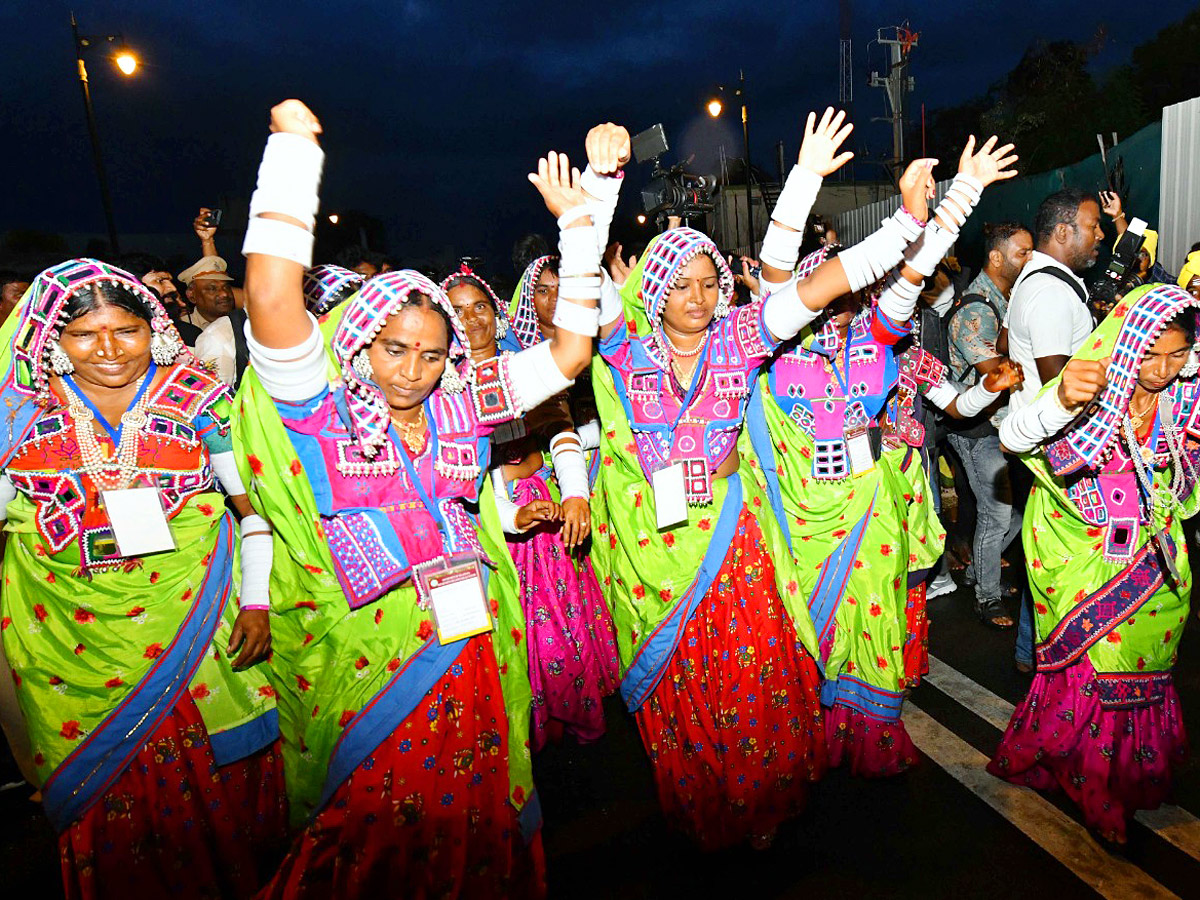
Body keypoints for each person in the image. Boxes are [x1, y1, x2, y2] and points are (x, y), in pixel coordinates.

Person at [232, 99, 600, 898]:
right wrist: (294, 154)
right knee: (368, 826)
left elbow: (569, 355)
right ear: (359, 343)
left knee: (468, 806)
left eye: (433, 355)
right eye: (394, 349)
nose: (413, 371)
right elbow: (268, 298)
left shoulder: (461, 404)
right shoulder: (319, 412)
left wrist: (580, 232)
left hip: (465, 645)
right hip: (365, 657)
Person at [588, 108, 922, 848]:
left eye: (710, 283)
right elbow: (583, 281)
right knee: (682, 678)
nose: (701, 297)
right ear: (651, 293)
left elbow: (819, 281)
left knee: (755, 666)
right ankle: (699, 794)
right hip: (656, 548)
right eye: (682, 285)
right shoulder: (623, 351)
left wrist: (900, 222)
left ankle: (758, 793)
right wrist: (601, 184)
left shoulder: (741, 341)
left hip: (734, 537)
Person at [0, 259, 284, 899]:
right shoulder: (20, 415)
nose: (107, 350)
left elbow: (250, 507)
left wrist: (257, 600)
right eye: (83, 335)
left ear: (151, 329)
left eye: (125, 331)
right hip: (70, 632)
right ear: (53, 340)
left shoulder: (197, 397)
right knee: (107, 784)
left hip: (197, 608)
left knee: (223, 776)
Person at [746, 136, 1020, 777]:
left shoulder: (879, 340)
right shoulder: (777, 345)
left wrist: (962, 195)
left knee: (870, 627)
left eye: (849, 293)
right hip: (800, 515)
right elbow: (776, 270)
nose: (840, 304)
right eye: (829, 289)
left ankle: (865, 740)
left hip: (872, 506)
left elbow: (912, 279)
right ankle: (804, 735)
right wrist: (804, 176)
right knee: (805, 633)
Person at [989, 282, 1200, 845]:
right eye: (1151, 353)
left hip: (1153, 561)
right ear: (1128, 343)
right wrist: (1059, 402)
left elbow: (1186, 481)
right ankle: (1098, 789)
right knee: (1096, 670)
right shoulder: (1090, 384)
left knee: (1142, 669)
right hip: (1078, 554)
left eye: (1177, 354)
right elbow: (1012, 437)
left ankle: (1134, 774)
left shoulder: (1185, 398)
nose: (1161, 369)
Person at [444, 263, 618, 751]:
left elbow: (559, 428)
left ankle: (571, 719)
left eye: (480, 306)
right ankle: (527, 731)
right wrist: (504, 480)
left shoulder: (521, 365)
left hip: (543, 515)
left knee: (559, 628)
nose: (472, 319)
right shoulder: (440, 383)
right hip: (483, 523)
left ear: (496, 312)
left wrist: (573, 492)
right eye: (457, 311)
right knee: (506, 637)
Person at [1003, 187, 1105, 671]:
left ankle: (1036, 651)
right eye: (1093, 226)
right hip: (1052, 445)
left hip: (1046, 438)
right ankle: (1047, 657)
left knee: (1046, 551)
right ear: (1064, 231)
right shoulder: (1048, 291)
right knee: (1058, 558)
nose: (1099, 235)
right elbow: (1057, 381)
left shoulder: (1044, 283)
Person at [945, 222, 1033, 627]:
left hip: (1001, 426)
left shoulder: (1006, 299)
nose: (1029, 259)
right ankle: (986, 596)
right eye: (1022, 253)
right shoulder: (978, 308)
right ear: (996, 257)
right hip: (977, 428)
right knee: (996, 516)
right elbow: (997, 372)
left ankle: (981, 569)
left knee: (1013, 515)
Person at [117, 252, 203, 346]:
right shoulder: (118, 337)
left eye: (170, 281)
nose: (172, 288)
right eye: (160, 281)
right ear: (133, 286)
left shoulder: (188, 334)